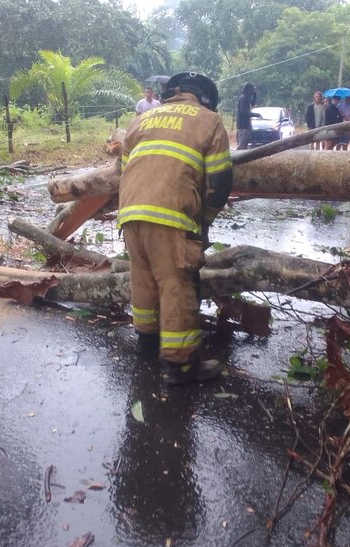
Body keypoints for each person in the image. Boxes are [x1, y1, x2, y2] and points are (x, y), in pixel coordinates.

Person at [118, 72, 233, 385]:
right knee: (176, 284)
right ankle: (181, 366)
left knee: (143, 279)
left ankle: (146, 341)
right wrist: (203, 220)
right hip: (171, 215)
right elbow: (220, 182)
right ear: (205, 97)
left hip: (130, 211)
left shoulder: (140, 120)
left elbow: (123, 169)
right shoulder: (209, 121)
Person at [235, 82, 260, 150]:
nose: (252, 92)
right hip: (242, 125)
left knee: (245, 145)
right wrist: (256, 115)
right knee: (242, 145)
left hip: (246, 124)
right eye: (251, 90)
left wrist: (255, 94)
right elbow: (244, 112)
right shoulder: (243, 98)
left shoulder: (246, 98)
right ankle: (238, 158)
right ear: (248, 90)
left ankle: (242, 159)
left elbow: (253, 103)